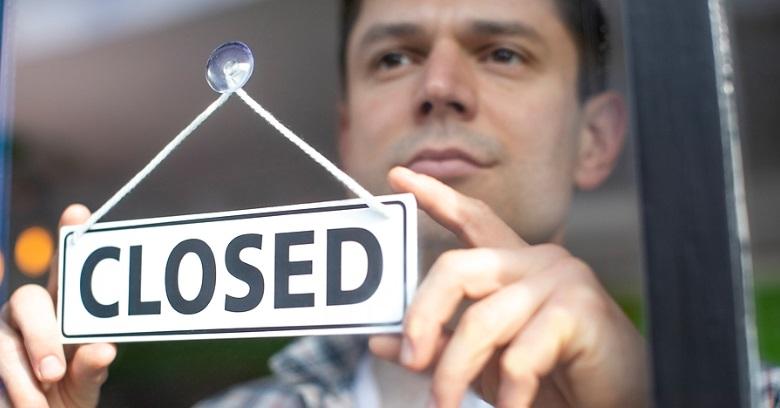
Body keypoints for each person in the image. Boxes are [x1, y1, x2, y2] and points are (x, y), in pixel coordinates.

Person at [0, 0, 732, 406]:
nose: (439, 85)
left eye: (502, 52)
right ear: (347, 135)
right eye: (395, 56)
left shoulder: (742, 388)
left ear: (596, 139)